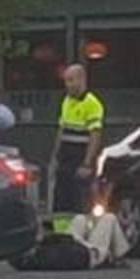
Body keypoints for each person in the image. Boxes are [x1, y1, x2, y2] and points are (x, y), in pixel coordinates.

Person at [50, 64, 105, 214]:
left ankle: (78, 235)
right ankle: (62, 233)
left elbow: (95, 135)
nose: (67, 85)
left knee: (79, 202)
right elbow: (61, 131)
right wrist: (55, 157)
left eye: (71, 80)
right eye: (66, 81)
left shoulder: (92, 104)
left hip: (79, 159)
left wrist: (87, 164)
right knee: (60, 202)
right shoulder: (67, 101)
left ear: (81, 80)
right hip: (65, 159)